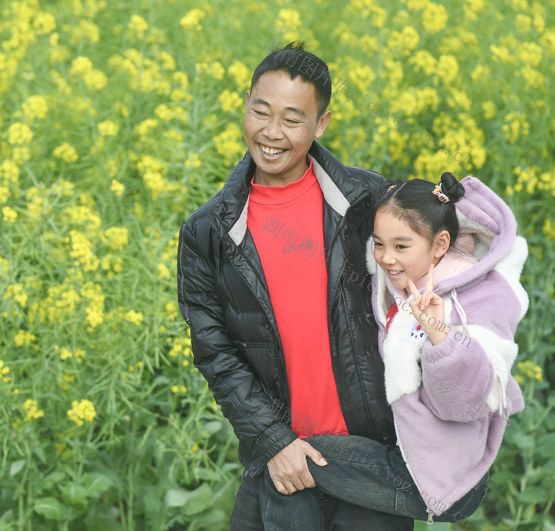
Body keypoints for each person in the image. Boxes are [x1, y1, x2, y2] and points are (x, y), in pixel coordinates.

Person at [177, 42, 407, 528]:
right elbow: (214, 352)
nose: (271, 133)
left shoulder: (366, 200)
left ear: (321, 124)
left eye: (292, 119)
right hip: (281, 464)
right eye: (260, 112)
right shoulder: (208, 232)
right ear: (245, 104)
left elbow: (434, 270)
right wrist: (274, 440)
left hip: (368, 460)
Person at [257, 172, 527, 526]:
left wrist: (438, 334)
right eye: (379, 244)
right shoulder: (399, 280)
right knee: (293, 467)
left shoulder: (476, 298)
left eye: (401, 246)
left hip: (441, 479)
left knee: (291, 463)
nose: (386, 258)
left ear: (441, 244)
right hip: (406, 456)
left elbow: (465, 403)